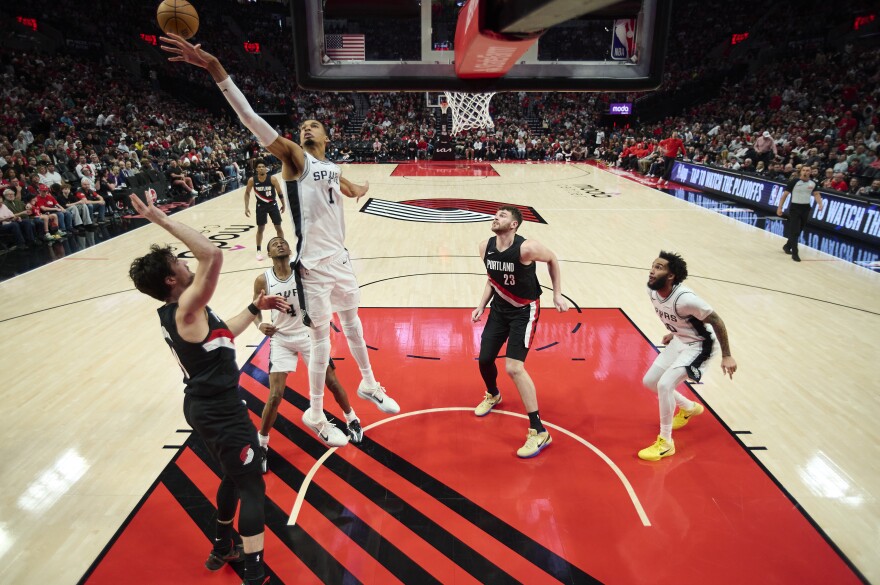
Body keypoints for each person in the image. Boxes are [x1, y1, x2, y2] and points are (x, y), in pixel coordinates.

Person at [161, 33, 400, 450]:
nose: (305, 126)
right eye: (301, 125)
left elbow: (346, 186)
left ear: (326, 136)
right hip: (313, 264)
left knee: (355, 322)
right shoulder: (295, 158)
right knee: (321, 339)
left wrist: (359, 187)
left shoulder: (328, 164)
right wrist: (217, 70)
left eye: (313, 125)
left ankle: (369, 384)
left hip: (340, 257)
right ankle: (315, 411)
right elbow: (252, 118)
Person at [128, 193, 288, 585]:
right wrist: (162, 220)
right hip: (219, 411)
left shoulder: (191, 313)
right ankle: (254, 573)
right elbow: (213, 256)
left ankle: (222, 544)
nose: (187, 263)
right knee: (252, 485)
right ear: (171, 279)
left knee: (234, 476)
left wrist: (254, 307)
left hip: (206, 405)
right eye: (178, 263)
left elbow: (224, 336)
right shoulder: (186, 309)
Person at [254, 236, 370, 472]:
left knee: (332, 381)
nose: (280, 244)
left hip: (308, 337)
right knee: (275, 395)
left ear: (289, 249)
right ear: (268, 253)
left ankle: (352, 419)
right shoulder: (262, 279)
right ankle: (262, 443)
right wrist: (259, 325)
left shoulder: (305, 271)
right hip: (281, 339)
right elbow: (255, 308)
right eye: (274, 243)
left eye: (283, 241)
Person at [471, 206, 568, 458]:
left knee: (514, 368)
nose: (495, 218)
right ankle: (493, 394)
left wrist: (557, 294)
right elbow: (493, 279)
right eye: (495, 215)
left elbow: (553, 259)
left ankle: (538, 431)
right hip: (499, 309)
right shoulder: (485, 246)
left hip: (524, 311)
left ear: (514, 225)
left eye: (502, 216)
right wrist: (481, 305)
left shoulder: (527, 248)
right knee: (484, 360)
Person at [641, 251, 737, 461]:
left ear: (671, 276)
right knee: (650, 382)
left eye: (659, 267)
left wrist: (727, 355)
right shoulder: (652, 290)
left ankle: (666, 443)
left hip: (700, 345)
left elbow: (717, 321)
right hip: (680, 340)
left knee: (665, 385)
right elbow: (680, 319)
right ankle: (689, 408)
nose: (652, 270)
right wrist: (674, 331)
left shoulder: (686, 299)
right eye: (653, 265)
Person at [777, 165, 823, 262]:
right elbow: (784, 195)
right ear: (801, 171)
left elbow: (816, 194)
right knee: (795, 231)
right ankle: (795, 253)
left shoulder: (813, 183)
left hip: (806, 208)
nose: (805, 172)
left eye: (808, 170)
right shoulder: (794, 182)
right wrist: (780, 207)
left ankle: (787, 246)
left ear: (810, 172)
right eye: (804, 170)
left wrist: (820, 204)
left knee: (799, 230)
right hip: (795, 208)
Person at [243, 158, 285, 262]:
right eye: (259, 167)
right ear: (256, 169)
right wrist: (246, 207)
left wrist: (283, 204)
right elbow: (247, 193)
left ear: (266, 168)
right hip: (261, 206)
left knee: (278, 227)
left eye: (263, 167)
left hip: (272, 205)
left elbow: (280, 193)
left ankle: (283, 248)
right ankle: (258, 251)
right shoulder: (252, 180)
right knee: (260, 229)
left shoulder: (272, 179)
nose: (261, 168)